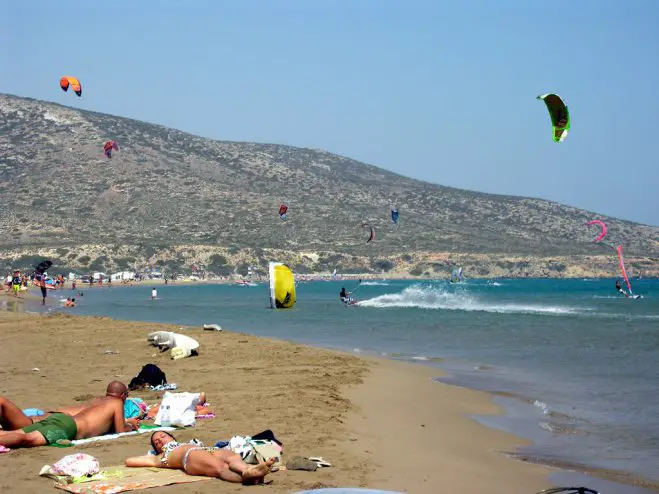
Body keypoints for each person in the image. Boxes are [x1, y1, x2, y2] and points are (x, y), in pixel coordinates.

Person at [0, 381, 138, 447]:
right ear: (122, 395)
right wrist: (130, 426)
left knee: (12, 433)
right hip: (68, 426)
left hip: (60, 419)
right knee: (28, 439)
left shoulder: (98, 401)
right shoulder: (117, 402)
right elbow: (121, 432)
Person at [125, 431, 275, 485]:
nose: (160, 440)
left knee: (231, 456)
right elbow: (128, 461)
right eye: (156, 442)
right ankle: (247, 477)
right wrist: (150, 455)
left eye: (162, 436)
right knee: (219, 467)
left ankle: (247, 470)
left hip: (206, 449)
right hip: (189, 458)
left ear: (171, 436)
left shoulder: (187, 443)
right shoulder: (160, 457)